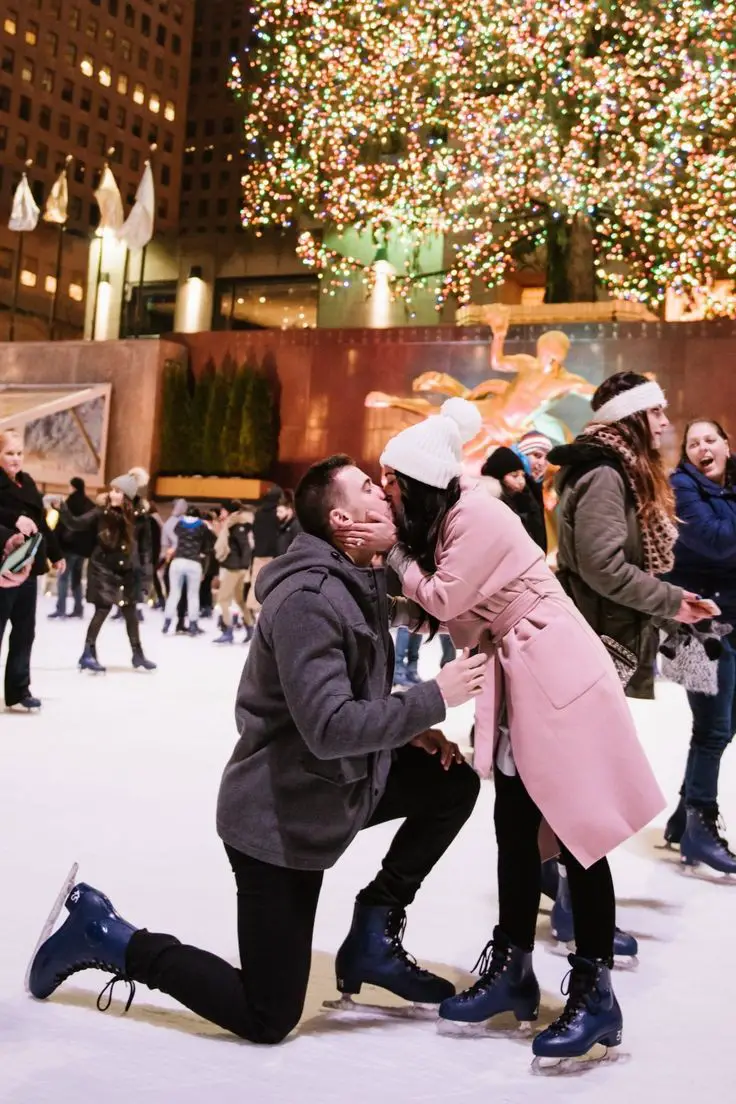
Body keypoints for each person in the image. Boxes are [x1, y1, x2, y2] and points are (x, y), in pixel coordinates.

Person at [28, 454, 487, 1046]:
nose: (386, 494)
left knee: (451, 782)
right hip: (280, 820)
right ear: (343, 522)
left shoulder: (359, 582)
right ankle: (108, 937)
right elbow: (327, 725)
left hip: (341, 788)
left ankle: (374, 930)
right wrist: (430, 701)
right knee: (268, 1016)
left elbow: (358, 685)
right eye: (371, 489)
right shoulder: (310, 600)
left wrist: (404, 729)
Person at [341, 397, 669, 1067]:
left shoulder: (478, 513)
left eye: (394, 484)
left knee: (580, 831)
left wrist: (392, 554)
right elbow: (451, 607)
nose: (390, 495)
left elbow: (444, 596)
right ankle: (514, 970)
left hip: (555, 670)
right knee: (515, 829)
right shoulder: (449, 520)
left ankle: (595, 993)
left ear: (422, 482)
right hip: (519, 670)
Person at [661, 419, 736, 874]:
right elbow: (717, 542)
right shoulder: (680, 489)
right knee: (711, 729)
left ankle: (682, 820)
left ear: (727, 445)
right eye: (694, 443)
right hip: (694, 627)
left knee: (724, 728)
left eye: (711, 439)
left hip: (732, 620)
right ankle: (699, 826)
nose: (703, 448)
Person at [60, 473, 157, 674]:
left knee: (130, 612)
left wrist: (146, 576)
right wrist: (62, 509)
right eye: (112, 490)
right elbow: (76, 524)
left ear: (128, 496)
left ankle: (137, 654)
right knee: (102, 610)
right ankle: (87, 653)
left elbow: (146, 550)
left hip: (127, 571)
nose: (112, 494)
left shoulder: (140, 519)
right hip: (102, 568)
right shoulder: (101, 513)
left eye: (118, 491)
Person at [0, 429, 65, 711]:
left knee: (25, 631)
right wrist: (15, 521)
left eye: (18, 453)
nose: (15, 459)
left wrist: (56, 553)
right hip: (3, 569)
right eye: (8, 453)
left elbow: (41, 522)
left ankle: (18, 691)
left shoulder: (27, 482)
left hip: (29, 568)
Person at [480, 446, 547, 550]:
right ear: (500, 477)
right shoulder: (491, 505)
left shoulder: (528, 497)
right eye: (514, 476)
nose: (521, 481)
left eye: (522, 475)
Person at [162, 507, 214, 637]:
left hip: (178, 561)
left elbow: (175, 532)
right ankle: (193, 625)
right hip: (194, 562)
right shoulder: (202, 526)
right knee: (193, 595)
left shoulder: (180, 523)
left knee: (174, 593)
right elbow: (209, 542)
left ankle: (167, 623)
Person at [50, 477, 96, 620]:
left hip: (68, 547)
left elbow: (62, 524)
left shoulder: (69, 503)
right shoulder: (89, 504)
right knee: (76, 578)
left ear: (74, 487)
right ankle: (78, 608)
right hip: (82, 550)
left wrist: (55, 543)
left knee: (63, 578)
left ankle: (61, 609)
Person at [213, 500, 255, 644]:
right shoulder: (233, 524)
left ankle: (228, 631)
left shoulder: (238, 525)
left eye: (223, 510)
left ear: (229, 511)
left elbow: (245, 547)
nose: (221, 513)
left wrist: (243, 567)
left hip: (235, 568)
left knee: (222, 599)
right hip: (237, 566)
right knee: (240, 599)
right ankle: (250, 628)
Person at [245, 486, 282, 617]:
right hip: (274, 555)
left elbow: (254, 533)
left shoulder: (258, 514)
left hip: (258, 553)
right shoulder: (276, 515)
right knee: (273, 583)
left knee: (255, 582)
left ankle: (250, 612)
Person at [275, 490, 301, 556]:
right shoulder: (282, 525)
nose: (277, 514)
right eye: (277, 511)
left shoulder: (296, 525)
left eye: (280, 512)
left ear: (289, 511)